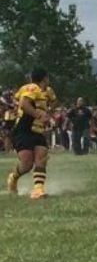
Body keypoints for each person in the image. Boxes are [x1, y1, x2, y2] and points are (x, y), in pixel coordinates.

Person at [6, 69, 55, 199]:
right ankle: (13, 177)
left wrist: (47, 112)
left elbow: (53, 101)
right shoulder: (33, 87)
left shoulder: (46, 91)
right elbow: (23, 104)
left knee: (41, 157)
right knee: (27, 164)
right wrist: (38, 114)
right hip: (23, 129)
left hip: (37, 131)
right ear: (45, 78)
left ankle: (38, 190)